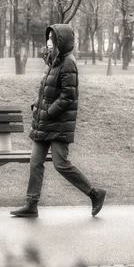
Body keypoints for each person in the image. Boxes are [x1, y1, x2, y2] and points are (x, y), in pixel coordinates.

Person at [10, 24, 106, 218]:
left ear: (61, 42)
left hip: (58, 123)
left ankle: (95, 194)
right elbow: (47, 90)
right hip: (45, 122)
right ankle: (31, 204)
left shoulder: (68, 63)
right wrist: (37, 103)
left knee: (60, 163)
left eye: (52, 39)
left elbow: (68, 96)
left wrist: (48, 113)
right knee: (35, 162)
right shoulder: (52, 61)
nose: (48, 42)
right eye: (48, 39)